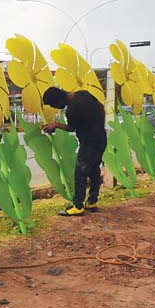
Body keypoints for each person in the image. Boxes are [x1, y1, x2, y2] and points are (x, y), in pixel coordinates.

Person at [41, 86, 106, 216]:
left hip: (89, 143)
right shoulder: (83, 94)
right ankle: (92, 201)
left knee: (80, 174)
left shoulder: (72, 111)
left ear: (59, 101)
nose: (56, 108)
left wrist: (56, 125)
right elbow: (100, 107)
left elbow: (71, 128)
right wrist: (98, 125)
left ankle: (77, 206)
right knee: (93, 170)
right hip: (101, 139)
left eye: (55, 105)